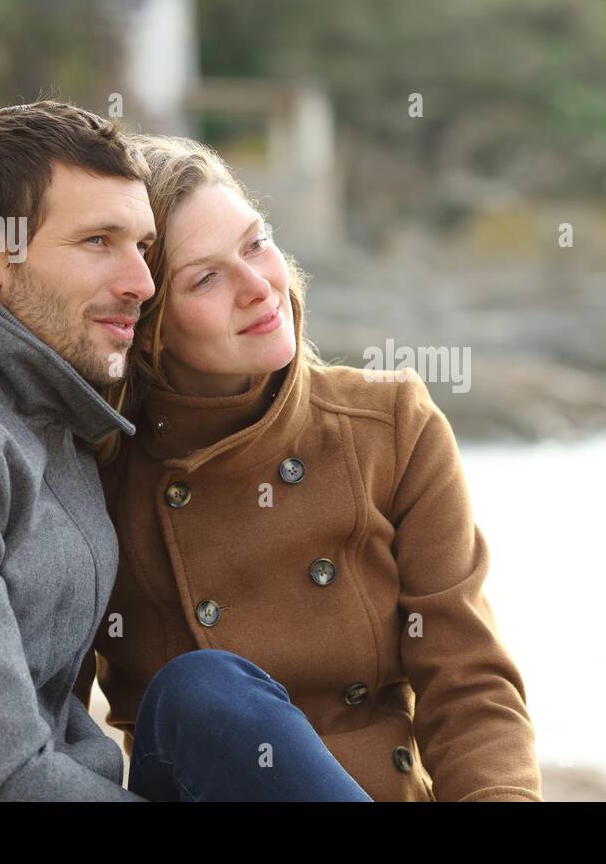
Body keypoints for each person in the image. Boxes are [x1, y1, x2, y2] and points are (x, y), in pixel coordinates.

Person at [0, 101, 368, 802]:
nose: (142, 285)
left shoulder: (39, 396)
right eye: (97, 243)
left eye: (142, 248)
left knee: (205, 699)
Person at [76, 134, 543, 801]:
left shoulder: (392, 429)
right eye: (206, 277)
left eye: (255, 243)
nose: (257, 286)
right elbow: (49, 720)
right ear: (149, 328)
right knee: (203, 691)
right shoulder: (95, 470)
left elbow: (469, 685)